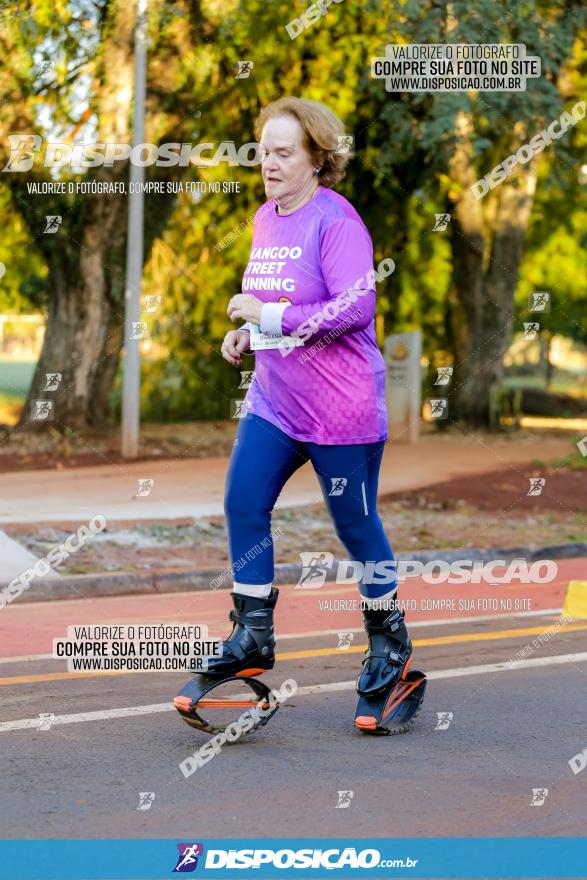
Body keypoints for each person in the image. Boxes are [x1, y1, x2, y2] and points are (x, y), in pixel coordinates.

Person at [206, 97, 412, 717]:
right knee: (243, 502)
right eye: (263, 151)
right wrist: (249, 333)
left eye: (282, 152)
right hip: (275, 400)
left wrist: (264, 314)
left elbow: (354, 310)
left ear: (318, 158)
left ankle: (387, 640)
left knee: (354, 525)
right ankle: (254, 632)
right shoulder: (266, 219)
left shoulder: (337, 221)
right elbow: (273, 305)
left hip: (340, 409)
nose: (267, 163)